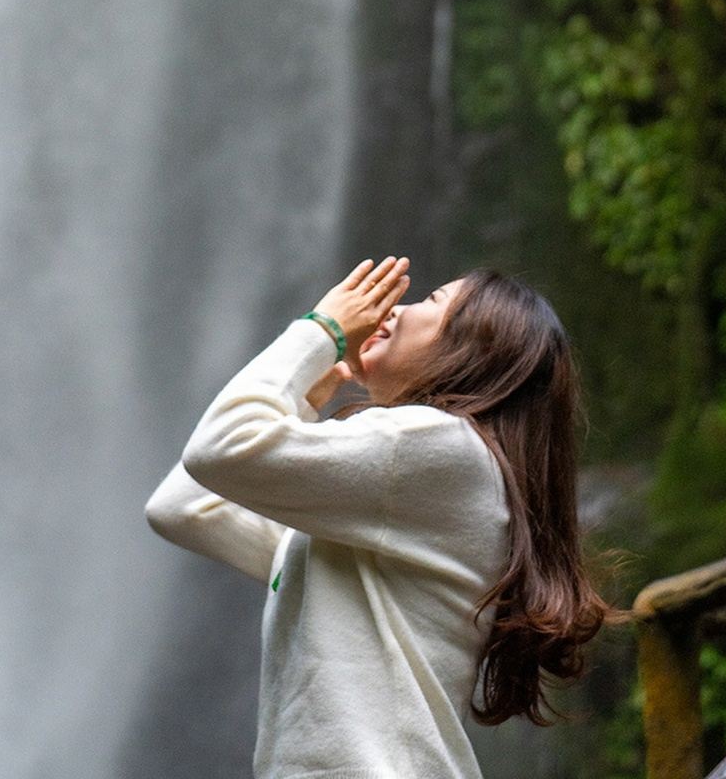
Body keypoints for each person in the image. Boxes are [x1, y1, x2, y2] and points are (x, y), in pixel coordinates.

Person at [145, 256, 613, 778]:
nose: (392, 309)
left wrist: (320, 332)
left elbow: (219, 450)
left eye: (429, 303)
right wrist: (296, 402)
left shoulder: (442, 445)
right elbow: (183, 507)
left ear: (477, 353)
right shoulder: (378, 519)